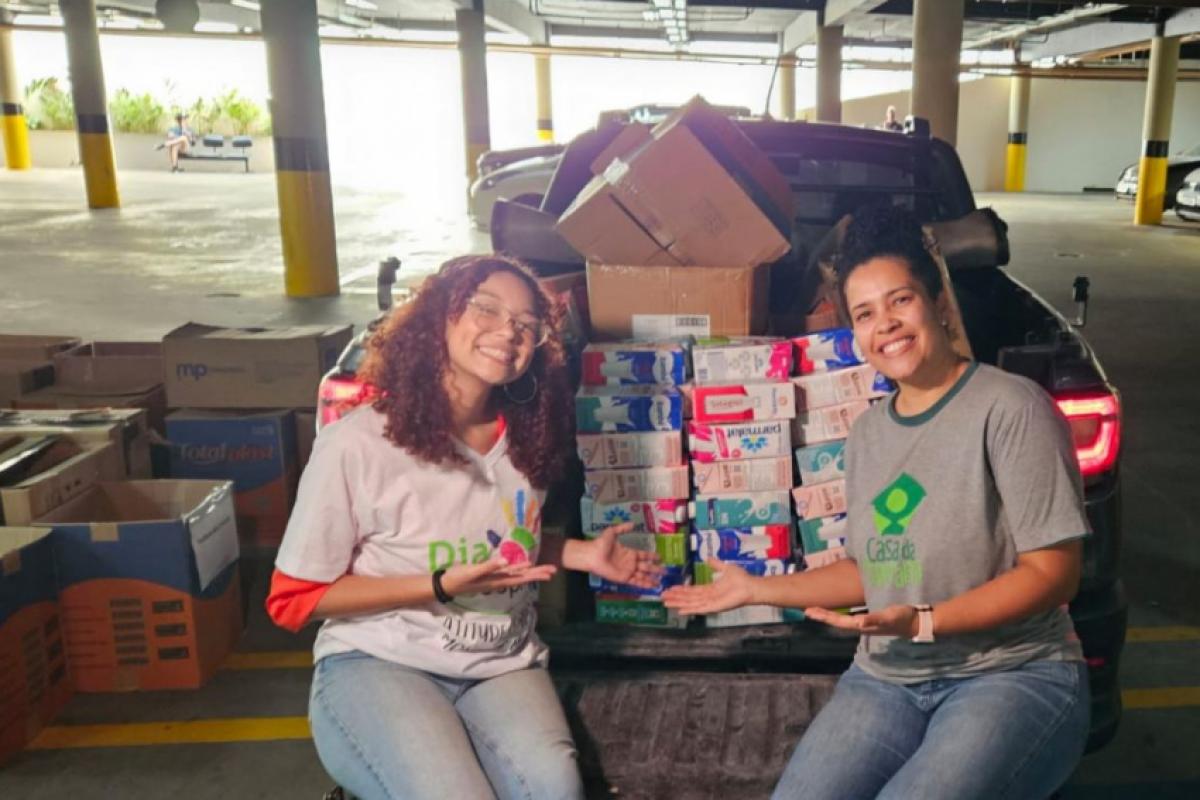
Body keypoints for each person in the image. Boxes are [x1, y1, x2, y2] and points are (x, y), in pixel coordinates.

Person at [663, 205, 1091, 800]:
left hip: (1011, 672)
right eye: (865, 314)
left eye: (900, 301)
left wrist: (925, 621)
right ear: (855, 334)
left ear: (938, 303)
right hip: (888, 677)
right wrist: (757, 589)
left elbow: (1054, 573)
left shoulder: (1009, 408)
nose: (885, 324)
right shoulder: (869, 433)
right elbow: (872, 568)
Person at [266, 254, 662, 800]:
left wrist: (578, 554)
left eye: (527, 325)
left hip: (499, 661)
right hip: (381, 661)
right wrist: (438, 586)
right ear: (439, 318)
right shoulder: (359, 443)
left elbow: (495, 543)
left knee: (553, 788)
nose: (508, 332)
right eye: (487, 309)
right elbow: (293, 600)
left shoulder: (527, 437)